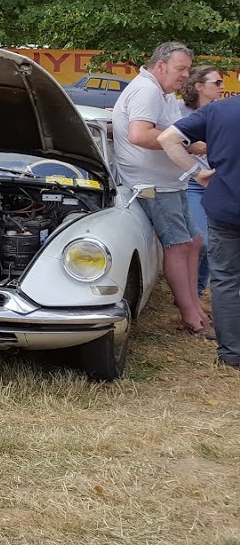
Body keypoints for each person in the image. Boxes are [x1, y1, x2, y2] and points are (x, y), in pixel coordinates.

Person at [110, 42, 210, 336]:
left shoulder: (161, 92)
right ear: (161, 66)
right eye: (181, 69)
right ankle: (191, 318)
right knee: (179, 246)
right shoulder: (148, 90)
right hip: (150, 185)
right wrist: (190, 145)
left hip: (168, 183)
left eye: (188, 70)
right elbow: (139, 134)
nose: (185, 76)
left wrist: (188, 145)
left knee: (192, 242)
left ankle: (195, 308)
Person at [158, 98, 240, 369]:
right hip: (225, 209)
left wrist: (197, 172)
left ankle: (231, 355)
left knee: (226, 280)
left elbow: (168, 138)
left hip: (227, 206)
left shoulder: (219, 110)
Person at [181, 66, 224, 298]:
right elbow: (165, 137)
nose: (222, 87)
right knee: (203, 242)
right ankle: (191, 297)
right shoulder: (180, 110)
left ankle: (196, 296)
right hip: (191, 183)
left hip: (218, 182)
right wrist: (190, 145)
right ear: (199, 86)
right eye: (216, 83)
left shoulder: (221, 111)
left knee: (213, 244)